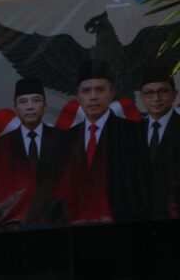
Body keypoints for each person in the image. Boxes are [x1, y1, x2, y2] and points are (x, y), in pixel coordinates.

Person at [54, 59, 149, 223]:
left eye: (100, 90)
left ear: (111, 93)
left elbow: (141, 188)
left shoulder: (133, 133)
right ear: (78, 97)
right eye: (86, 91)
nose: (93, 97)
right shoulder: (66, 140)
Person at [0, 77, 66, 227]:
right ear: (15, 108)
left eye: (36, 100)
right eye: (23, 102)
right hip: (12, 227)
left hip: (58, 226)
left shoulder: (64, 140)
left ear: (45, 105)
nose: (30, 107)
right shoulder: (0, 146)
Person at [138, 64, 180, 219]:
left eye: (163, 91)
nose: (156, 98)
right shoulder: (135, 132)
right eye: (149, 93)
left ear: (174, 94)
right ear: (142, 97)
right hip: (142, 219)